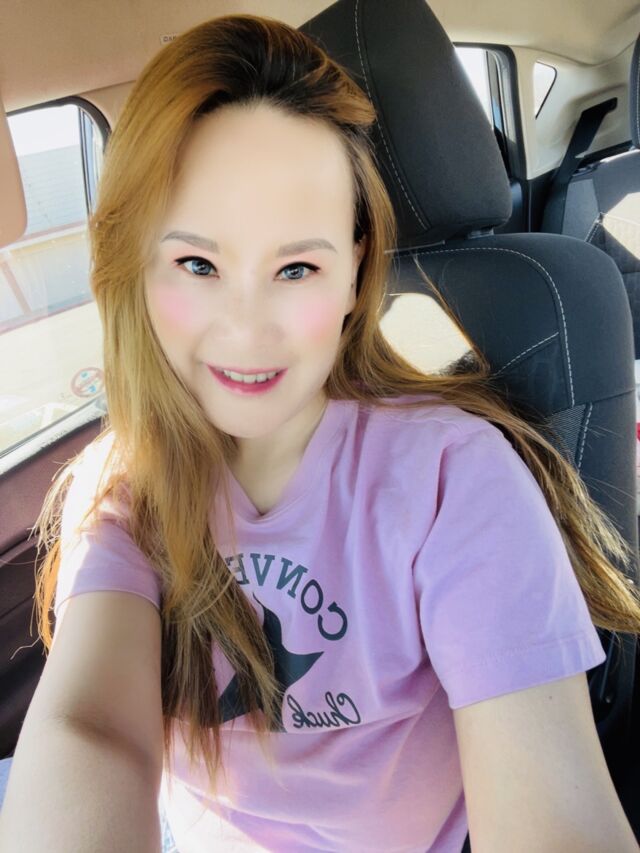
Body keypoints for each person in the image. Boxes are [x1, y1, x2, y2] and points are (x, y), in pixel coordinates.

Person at [2, 13, 640, 853]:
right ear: (139, 266)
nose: (247, 329)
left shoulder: (453, 476)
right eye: (198, 264)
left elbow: (552, 807)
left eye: (296, 267)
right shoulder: (123, 489)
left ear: (353, 271)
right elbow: (92, 730)